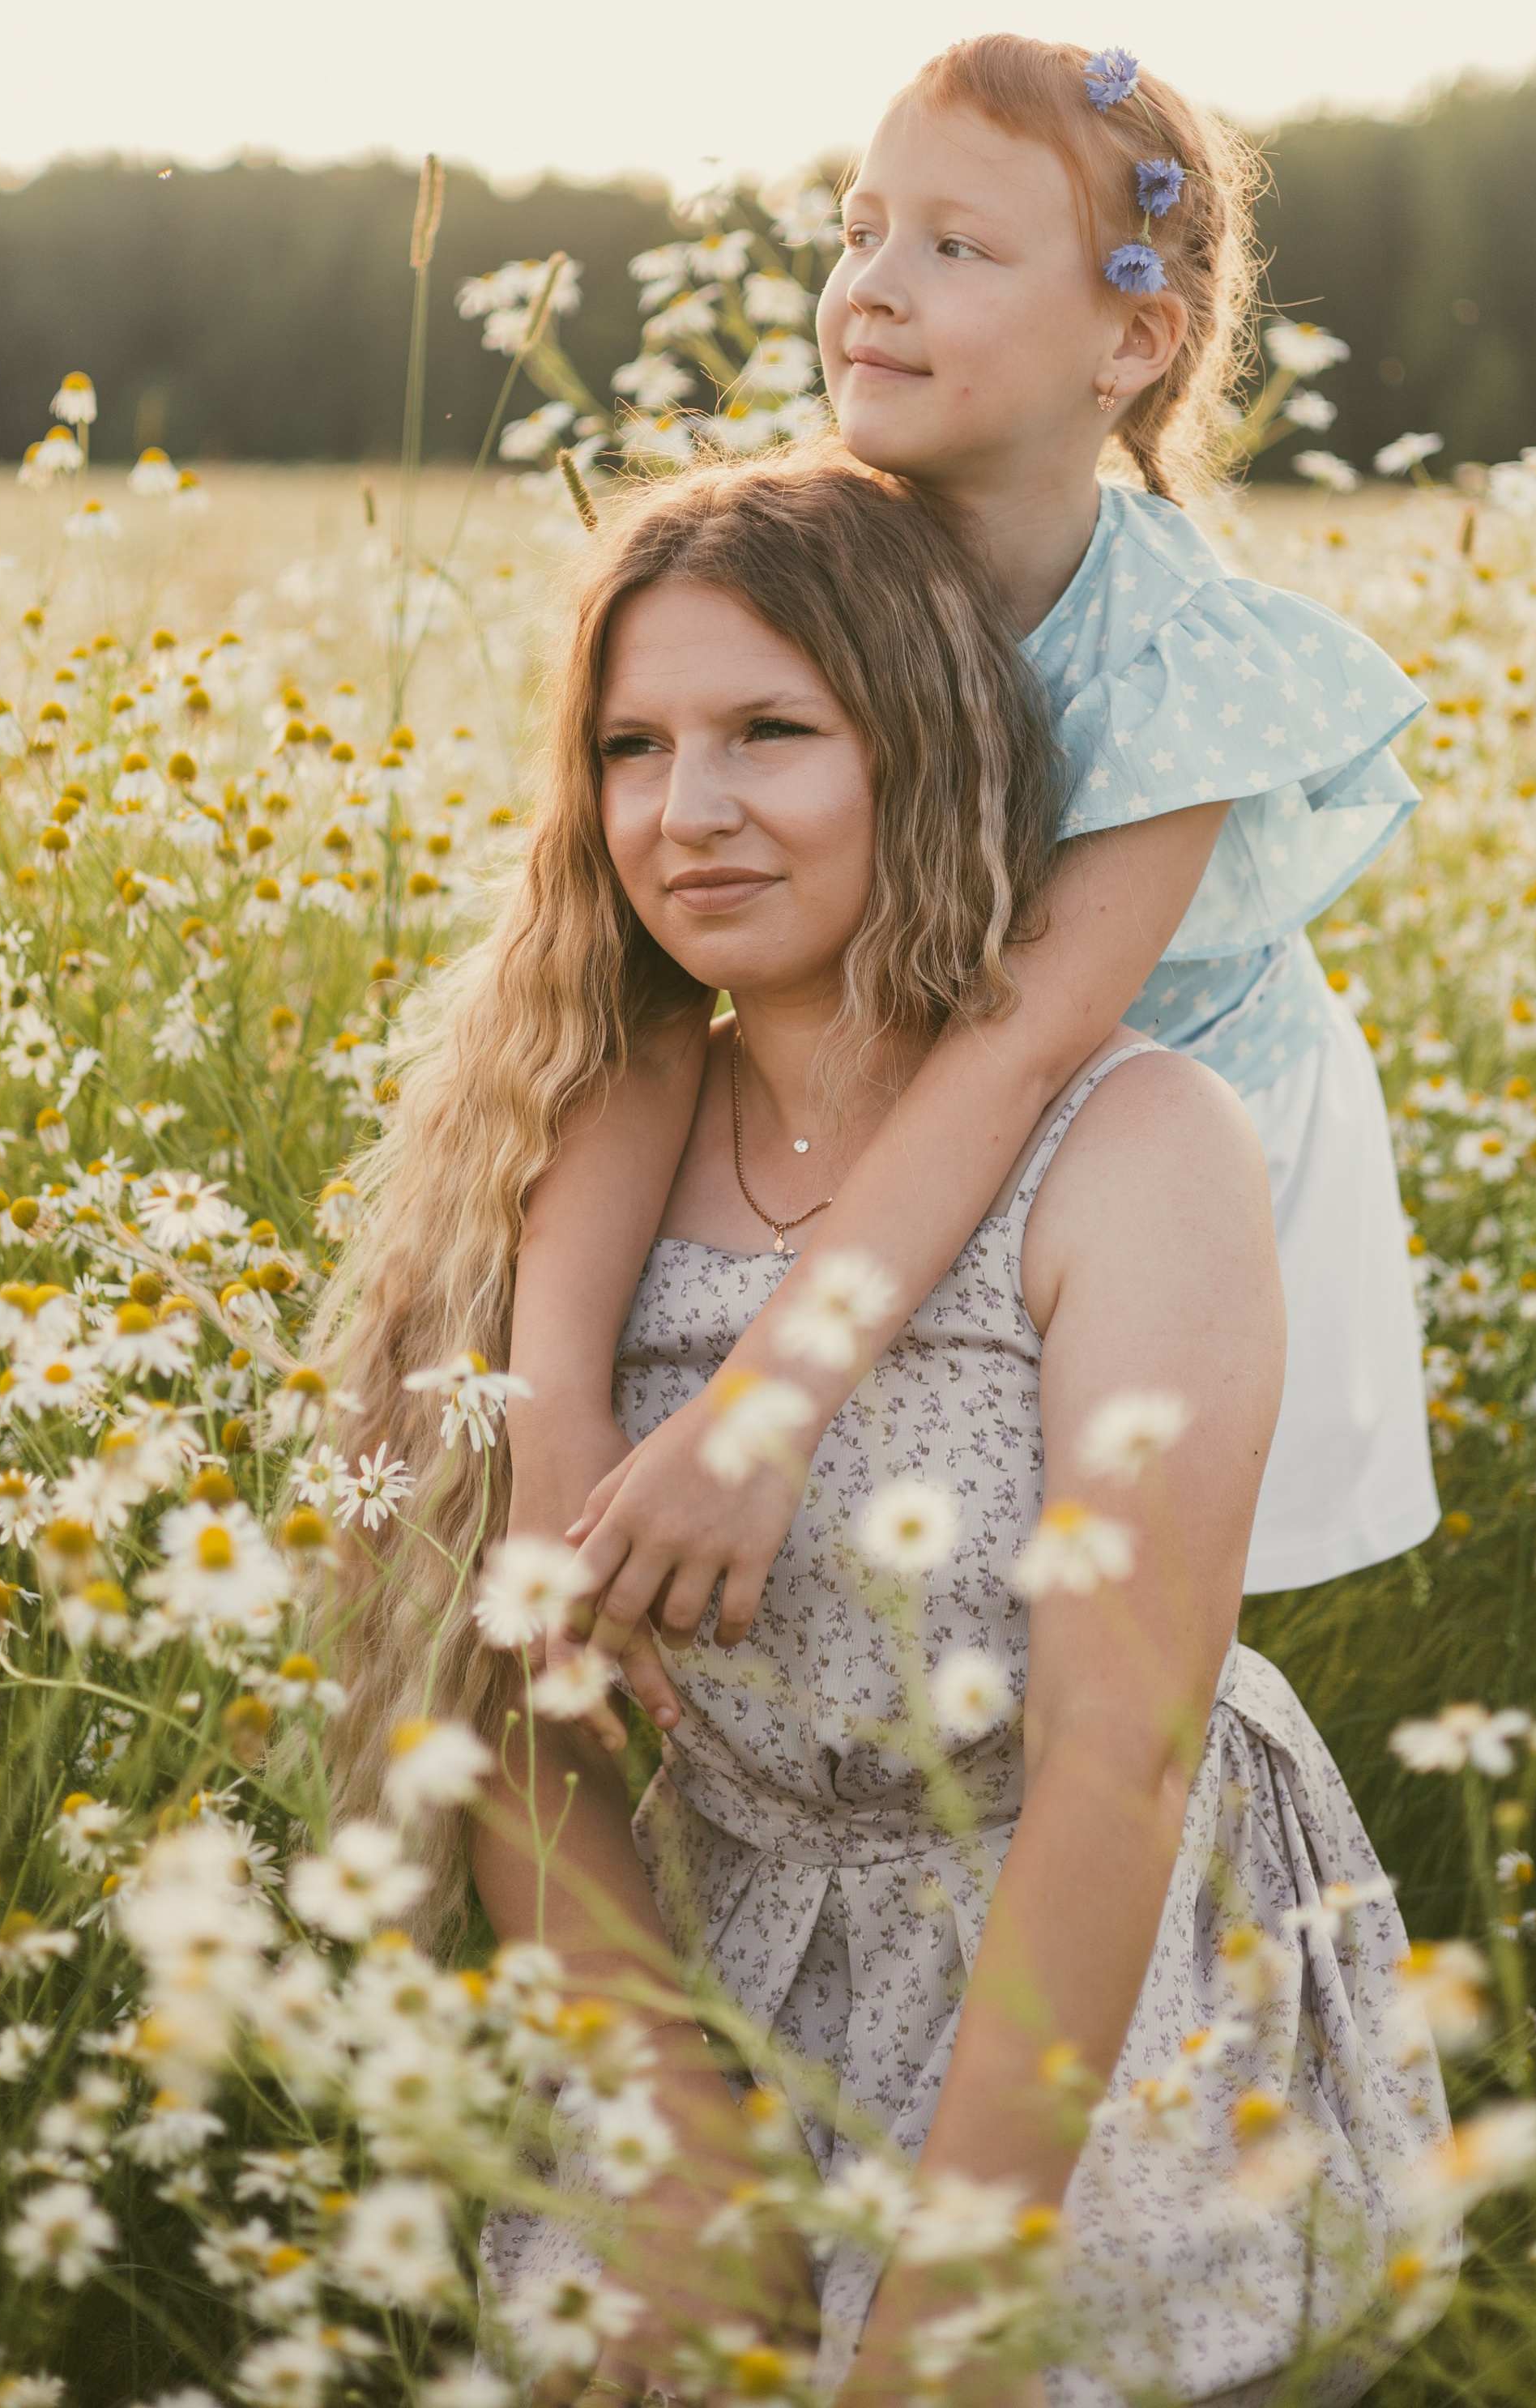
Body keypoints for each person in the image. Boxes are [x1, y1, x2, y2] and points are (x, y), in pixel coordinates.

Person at [325, 454, 1448, 2405]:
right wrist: (667, 2138)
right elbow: (497, 1701)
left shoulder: (1128, 1145)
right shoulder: (559, 1141)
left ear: (918, 750)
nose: (690, 812)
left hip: (1089, 1971)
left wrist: (944, 2292)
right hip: (704, 1964)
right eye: (631, 746)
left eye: (772, 732)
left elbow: (1120, 1752)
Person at [509, 36, 1436, 1733]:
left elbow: (1022, 1055)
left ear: (1131, 340)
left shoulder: (1176, 664)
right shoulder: (802, 569)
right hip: (912, 1098)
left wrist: (751, 1417)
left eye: (955, 246)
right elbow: (646, 998)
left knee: (1096, 1653)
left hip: (1172, 1127)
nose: (871, 284)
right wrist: (549, 1406)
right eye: (859, 230)